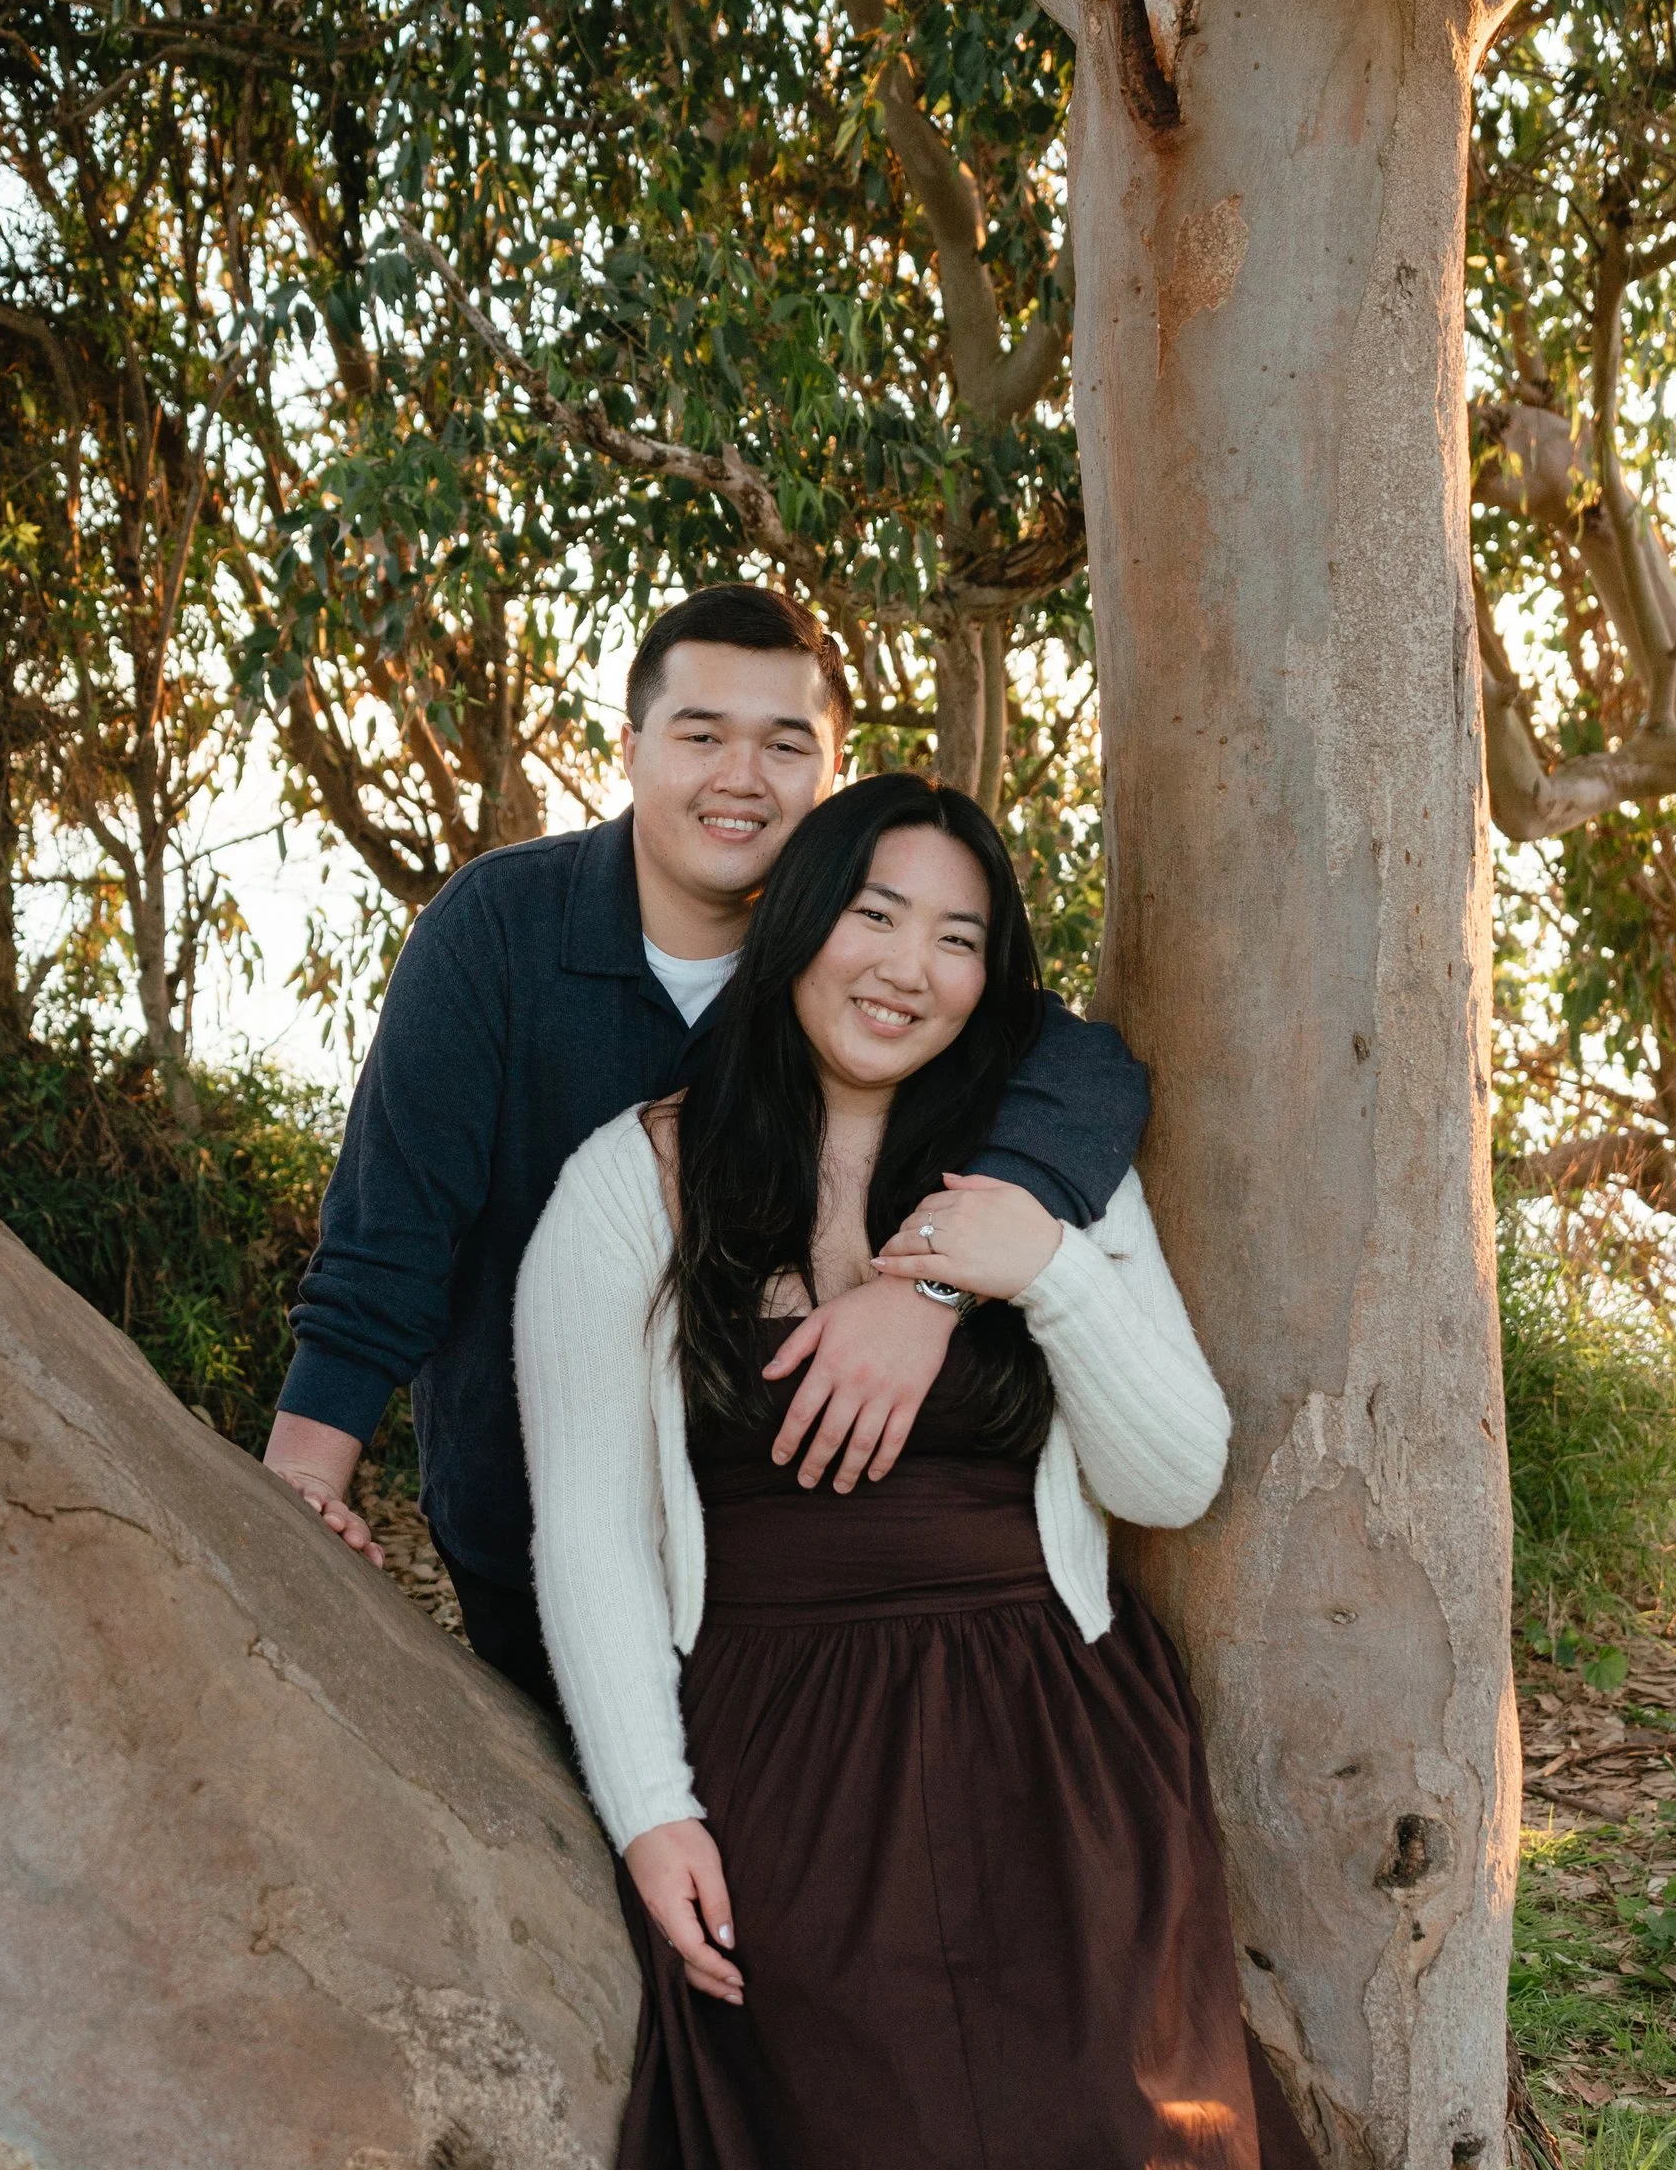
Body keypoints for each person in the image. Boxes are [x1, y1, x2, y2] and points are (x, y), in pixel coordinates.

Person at [514, 773, 1410, 2170]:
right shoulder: (634, 1183)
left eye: (956, 930)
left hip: (1056, 1741)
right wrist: (649, 1808)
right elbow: (590, 1537)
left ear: (989, 973)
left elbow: (1174, 1464)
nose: (907, 959)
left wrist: (1010, 1269)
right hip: (790, 1771)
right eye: (872, 910)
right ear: (798, 920)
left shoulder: (1032, 1174)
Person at [260, 586, 1149, 1717]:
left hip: (791, 1576)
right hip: (529, 1546)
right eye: (701, 736)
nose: (741, 777)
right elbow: (385, 1251)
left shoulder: (854, 963)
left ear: (830, 770)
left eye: (785, 745)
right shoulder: (496, 933)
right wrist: (303, 1484)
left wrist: (935, 1281)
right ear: (629, 749)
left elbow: (1082, 1072)